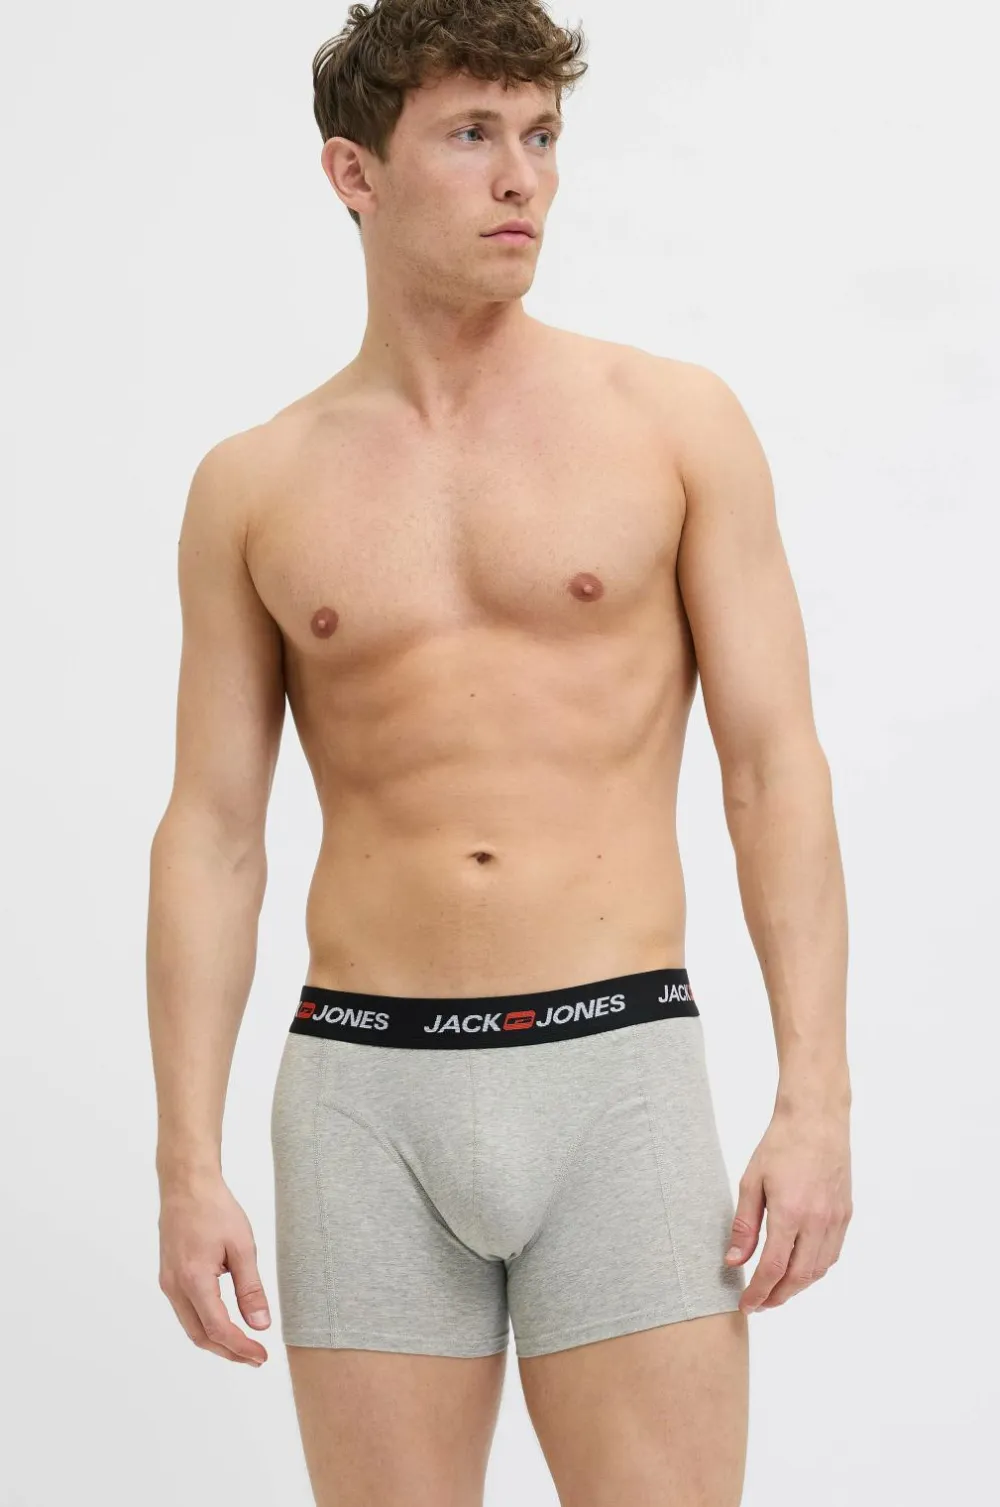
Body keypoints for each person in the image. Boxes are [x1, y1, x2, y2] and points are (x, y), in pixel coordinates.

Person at [146, 2, 853, 1502]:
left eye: (540, 135)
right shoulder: (253, 485)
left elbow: (773, 768)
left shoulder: (671, 424)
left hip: (618, 1076)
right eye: (472, 135)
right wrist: (184, 1163)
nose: (522, 175)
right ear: (354, 172)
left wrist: (818, 1098)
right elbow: (213, 833)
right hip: (361, 1096)